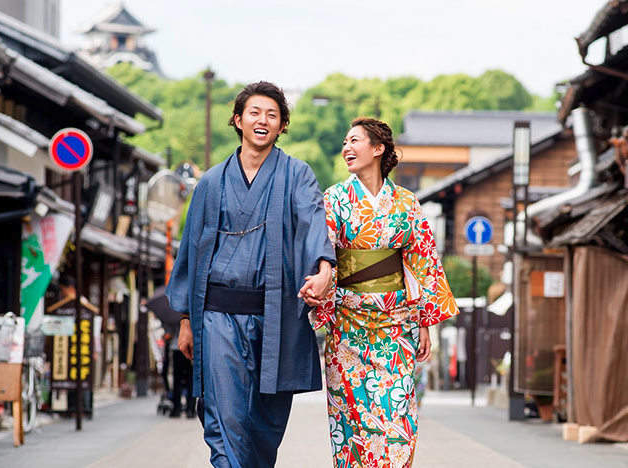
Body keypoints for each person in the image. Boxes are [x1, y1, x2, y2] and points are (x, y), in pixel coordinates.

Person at [166, 81, 335, 468]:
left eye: (272, 115)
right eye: (255, 113)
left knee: (265, 425)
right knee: (226, 420)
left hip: (275, 317)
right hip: (219, 317)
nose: (263, 120)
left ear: (281, 127)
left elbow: (312, 221)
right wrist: (187, 319)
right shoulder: (210, 183)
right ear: (238, 120)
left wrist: (324, 267)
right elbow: (190, 252)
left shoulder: (297, 175)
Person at [313, 118, 459, 467]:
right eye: (345, 143)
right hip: (348, 327)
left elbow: (423, 261)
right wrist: (322, 295)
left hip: (397, 328)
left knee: (398, 419)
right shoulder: (334, 199)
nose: (347, 149)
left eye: (355, 142)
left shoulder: (406, 203)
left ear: (378, 149)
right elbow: (322, 256)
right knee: (352, 421)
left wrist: (425, 321)